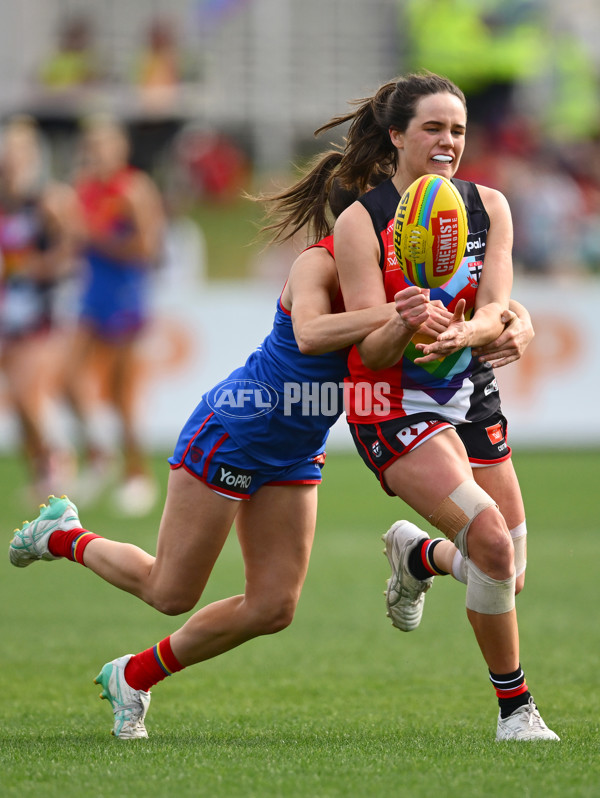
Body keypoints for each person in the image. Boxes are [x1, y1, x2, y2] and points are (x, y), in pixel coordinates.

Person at [8, 150, 535, 742]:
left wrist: (512, 319)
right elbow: (312, 335)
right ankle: (63, 534)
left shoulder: (400, 277)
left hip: (296, 447)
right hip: (237, 430)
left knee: (273, 608)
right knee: (169, 591)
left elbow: (454, 322)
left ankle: (132, 675)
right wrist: (399, 313)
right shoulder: (319, 263)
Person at [317, 72, 558, 741]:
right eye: (432, 128)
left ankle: (418, 558)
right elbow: (376, 345)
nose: (448, 140)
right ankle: (517, 712)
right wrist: (404, 318)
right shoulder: (361, 221)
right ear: (396, 136)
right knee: (487, 544)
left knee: (508, 567)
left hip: (468, 393)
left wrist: (474, 330)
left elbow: (496, 309)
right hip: (388, 401)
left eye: (456, 128)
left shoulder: (490, 206)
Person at [63, 116, 166, 515]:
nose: (97, 155)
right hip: (93, 293)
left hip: (126, 295)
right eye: (92, 148)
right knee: (68, 378)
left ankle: (137, 476)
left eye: (104, 147)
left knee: (122, 394)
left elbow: (147, 249)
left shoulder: (133, 189)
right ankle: (98, 454)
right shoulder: (85, 190)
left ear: (120, 151)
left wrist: (95, 240)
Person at [0, 116, 82, 500]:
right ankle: (42, 469)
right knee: (17, 401)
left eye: (18, 155)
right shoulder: (5, 202)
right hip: (9, 314)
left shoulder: (48, 201)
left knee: (27, 392)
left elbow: (71, 252)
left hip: (43, 311)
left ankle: (59, 461)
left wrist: (32, 267)